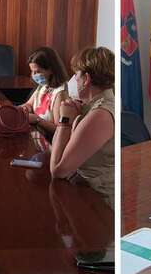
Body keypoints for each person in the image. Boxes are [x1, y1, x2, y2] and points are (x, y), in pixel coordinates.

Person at [49, 47, 115, 207]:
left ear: (86, 79)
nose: (73, 80)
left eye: (76, 74)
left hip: (98, 203)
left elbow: (58, 170)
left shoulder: (100, 114)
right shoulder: (89, 106)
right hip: (81, 189)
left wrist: (64, 122)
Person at [19, 47, 69, 137]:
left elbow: (59, 130)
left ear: (51, 69)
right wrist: (23, 108)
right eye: (32, 71)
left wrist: (37, 120)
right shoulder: (43, 86)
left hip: (47, 142)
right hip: (36, 135)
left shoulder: (60, 93)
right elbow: (29, 105)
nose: (33, 75)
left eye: (37, 71)